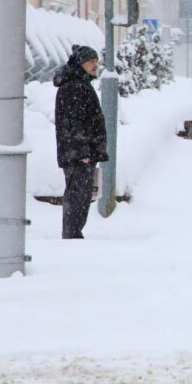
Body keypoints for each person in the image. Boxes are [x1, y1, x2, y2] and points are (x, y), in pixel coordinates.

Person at [54, 45, 107, 239]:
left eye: (96, 61)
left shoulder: (79, 84)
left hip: (79, 153)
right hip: (78, 154)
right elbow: (73, 124)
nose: (95, 65)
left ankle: (73, 232)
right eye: (91, 61)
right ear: (81, 63)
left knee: (81, 195)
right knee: (77, 196)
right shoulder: (74, 87)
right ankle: (72, 235)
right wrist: (83, 152)